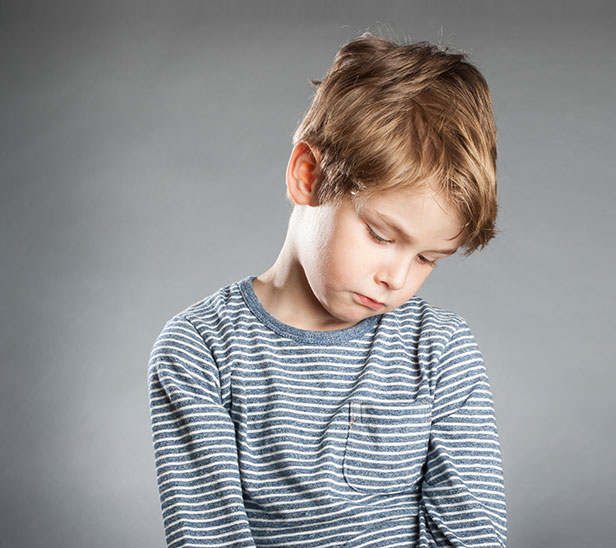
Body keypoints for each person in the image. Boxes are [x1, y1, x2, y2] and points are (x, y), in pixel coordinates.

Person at [147, 33, 507, 548]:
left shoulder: (439, 351)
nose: (397, 278)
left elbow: (472, 537)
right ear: (307, 176)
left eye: (428, 258)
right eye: (383, 236)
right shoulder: (200, 351)